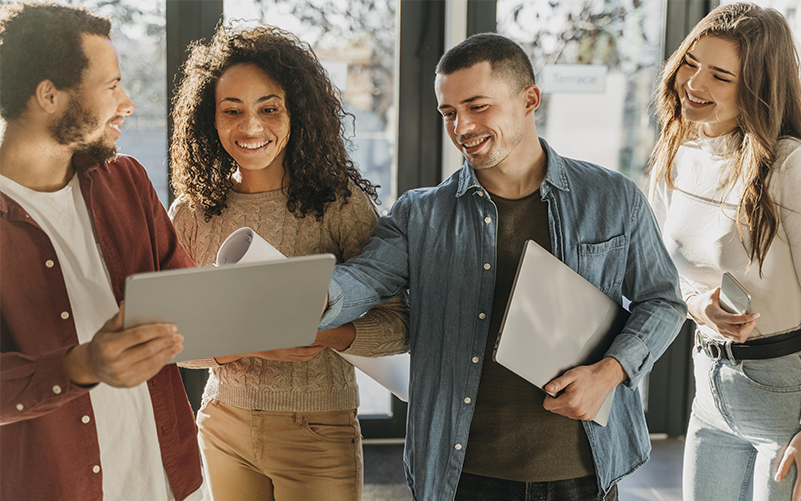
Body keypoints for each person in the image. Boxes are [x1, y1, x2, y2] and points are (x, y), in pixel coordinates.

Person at [319, 33, 686, 501]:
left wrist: (611, 371)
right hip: (461, 472)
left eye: (477, 106)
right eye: (449, 112)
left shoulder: (614, 199)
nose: (461, 126)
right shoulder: (420, 214)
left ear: (529, 99)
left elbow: (663, 301)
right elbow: (363, 278)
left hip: (582, 469)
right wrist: (312, 298)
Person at [168, 24, 408, 501]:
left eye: (269, 109)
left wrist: (323, 335)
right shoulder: (191, 211)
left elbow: (399, 325)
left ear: (297, 112)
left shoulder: (339, 204)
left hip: (318, 428)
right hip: (222, 424)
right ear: (208, 120)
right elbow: (170, 338)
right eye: (231, 111)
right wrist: (241, 344)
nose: (251, 128)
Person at [0, 3, 205, 500]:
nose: (127, 101)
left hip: (172, 480)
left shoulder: (126, 180)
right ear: (49, 95)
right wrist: (79, 367)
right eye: (111, 85)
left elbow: (185, 304)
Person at [649, 3, 801, 500]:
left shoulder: (790, 167)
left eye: (720, 75)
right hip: (709, 391)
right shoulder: (678, 156)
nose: (694, 83)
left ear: (757, 86)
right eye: (690, 63)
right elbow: (662, 273)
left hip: (786, 400)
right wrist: (699, 305)